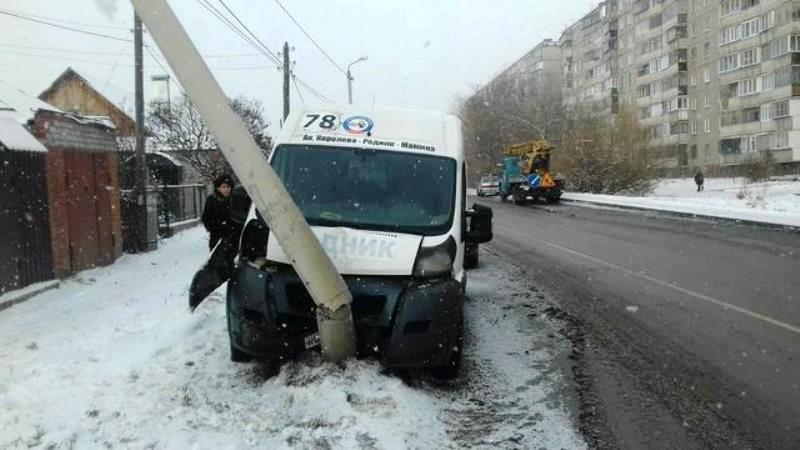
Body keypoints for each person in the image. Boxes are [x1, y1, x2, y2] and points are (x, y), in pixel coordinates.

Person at [202, 174, 234, 250]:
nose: (226, 189)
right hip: (217, 237)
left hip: (233, 237)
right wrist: (216, 229)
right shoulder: (212, 200)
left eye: (228, 187)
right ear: (218, 188)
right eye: (223, 187)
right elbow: (206, 218)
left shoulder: (234, 199)